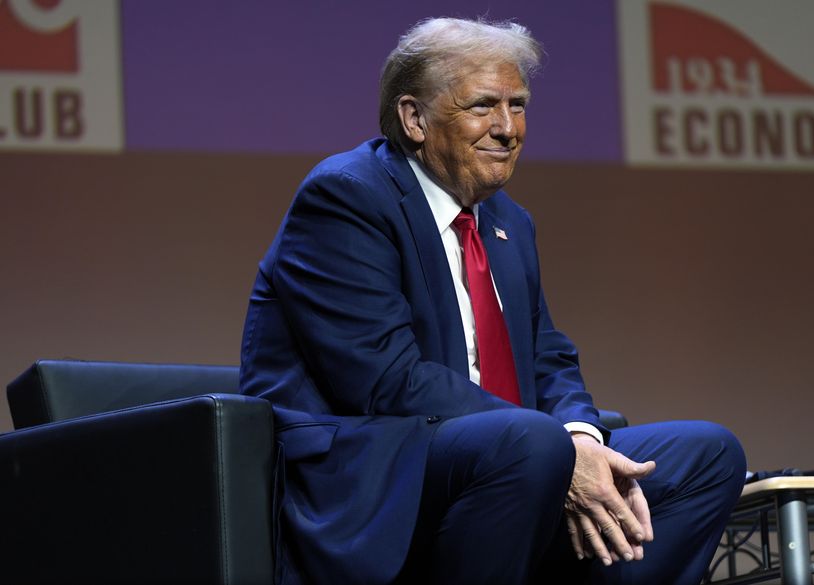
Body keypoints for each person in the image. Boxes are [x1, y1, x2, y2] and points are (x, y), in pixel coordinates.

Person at [240, 17, 746, 585]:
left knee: (706, 454)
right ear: (414, 119)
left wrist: (579, 437)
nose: (507, 129)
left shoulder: (509, 222)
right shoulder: (348, 197)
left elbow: (548, 358)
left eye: (518, 105)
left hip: (513, 454)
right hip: (376, 467)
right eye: (483, 106)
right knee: (530, 442)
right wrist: (553, 446)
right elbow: (386, 381)